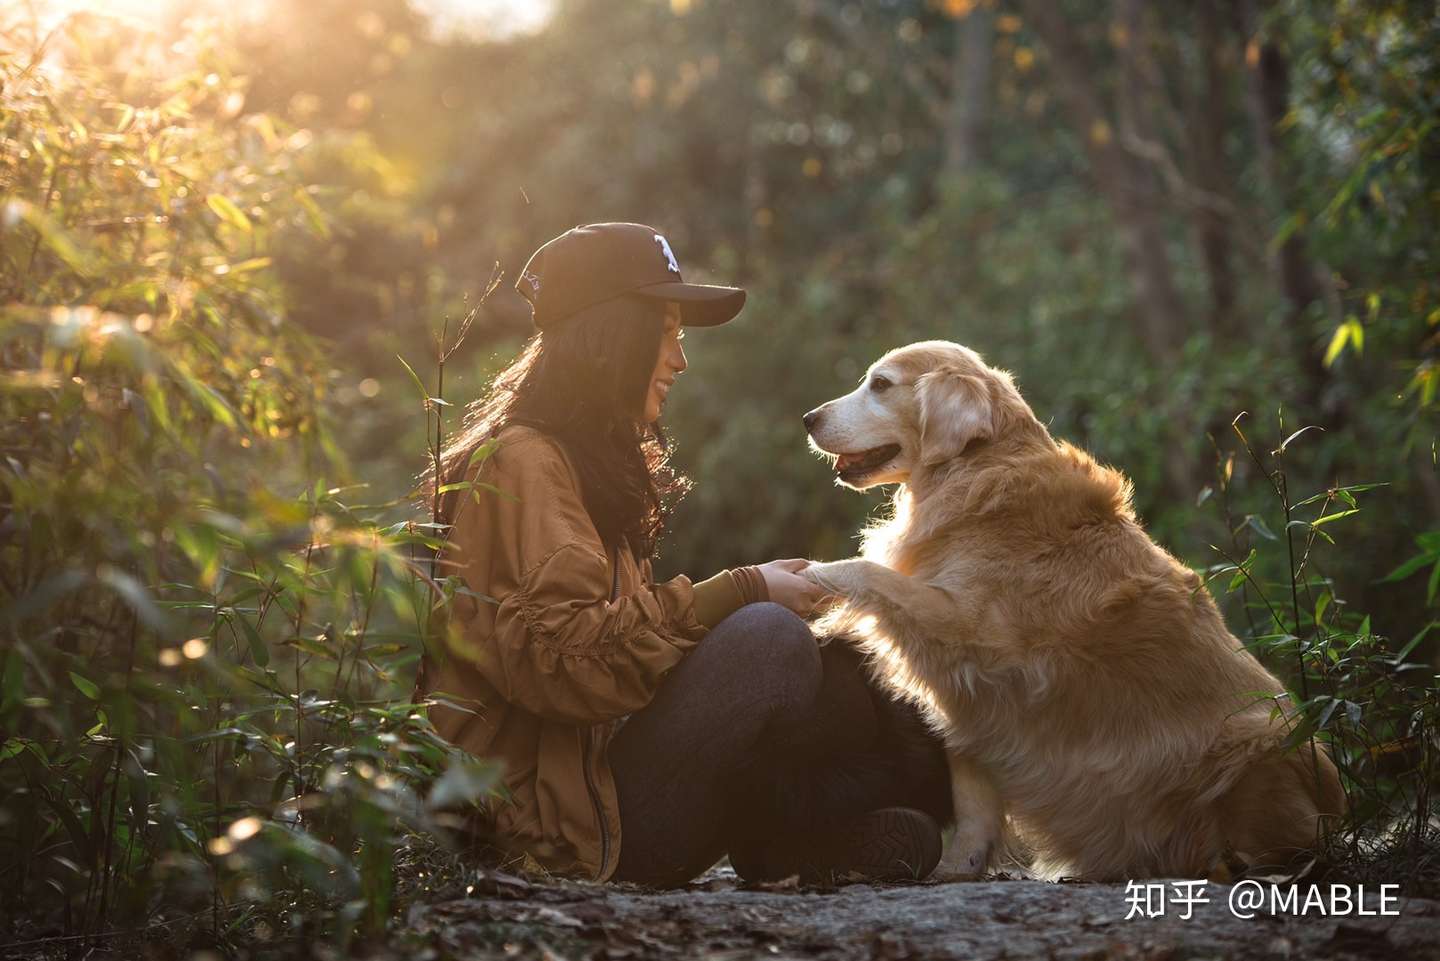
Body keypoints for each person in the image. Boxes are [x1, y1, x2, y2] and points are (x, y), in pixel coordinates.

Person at [417, 223, 950, 887]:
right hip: (560, 836)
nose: (679, 359)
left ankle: (794, 845)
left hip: (597, 791)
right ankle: (791, 844)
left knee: (837, 651)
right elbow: (565, 663)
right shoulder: (525, 463)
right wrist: (739, 590)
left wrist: (755, 595)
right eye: (666, 332)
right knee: (766, 638)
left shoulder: (580, 459)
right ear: (611, 337)